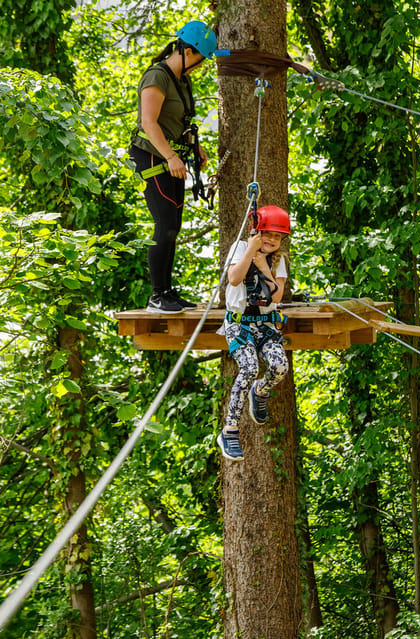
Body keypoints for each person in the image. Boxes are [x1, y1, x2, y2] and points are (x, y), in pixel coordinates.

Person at [129, 21, 216, 313]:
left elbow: (179, 121)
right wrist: (170, 156)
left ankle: (167, 291)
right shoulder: (157, 76)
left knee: (173, 226)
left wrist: (195, 148)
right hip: (153, 157)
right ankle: (157, 295)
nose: (200, 67)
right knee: (164, 223)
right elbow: (148, 122)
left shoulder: (181, 79)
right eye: (201, 61)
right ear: (188, 51)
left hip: (172, 157)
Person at [216, 206, 291, 461]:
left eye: (277, 237)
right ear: (256, 232)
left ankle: (260, 391)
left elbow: (277, 295)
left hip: (265, 324)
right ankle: (229, 429)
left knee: (280, 367)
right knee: (248, 367)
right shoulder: (240, 249)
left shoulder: (278, 260)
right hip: (239, 323)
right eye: (266, 234)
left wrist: (264, 265)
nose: (271, 240)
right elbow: (234, 279)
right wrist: (251, 251)